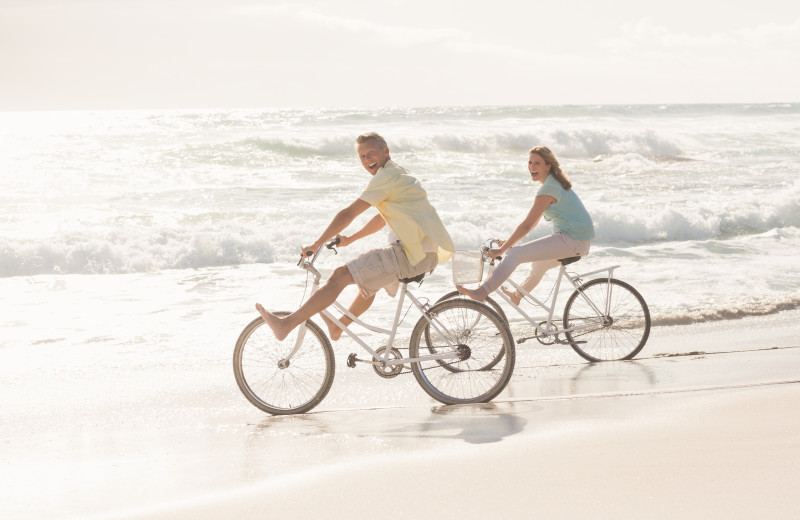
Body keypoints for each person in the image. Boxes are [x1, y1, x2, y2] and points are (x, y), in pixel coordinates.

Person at [256, 132, 454, 341]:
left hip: (409, 255)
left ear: (385, 151)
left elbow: (348, 213)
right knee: (369, 282)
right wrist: (350, 239)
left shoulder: (385, 177)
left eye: (371, 153)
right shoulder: (400, 173)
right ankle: (337, 327)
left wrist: (317, 243)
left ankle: (286, 325)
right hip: (426, 255)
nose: (368, 160)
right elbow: (382, 217)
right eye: (362, 157)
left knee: (340, 276)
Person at [457, 146, 594, 303]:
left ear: (548, 166)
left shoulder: (549, 188)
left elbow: (527, 225)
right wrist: (509, 242)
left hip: (572, 241)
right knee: (538, 266)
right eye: (530, 162)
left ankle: (483, 291)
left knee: (514, 255)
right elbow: (533, 223)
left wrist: (504, 249)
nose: (532, 167)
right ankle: (517, 296)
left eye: (537, 163)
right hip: (577, 241)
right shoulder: (554, 184)